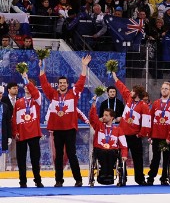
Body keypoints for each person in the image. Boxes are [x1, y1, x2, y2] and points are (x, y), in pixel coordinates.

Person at [39, 55, 92, 187]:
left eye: (64, 83)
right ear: (58, 85)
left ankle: (78, 179)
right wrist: (41, 69)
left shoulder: (73, 94)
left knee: (71, 154)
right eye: (60, 83)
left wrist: (84, 66)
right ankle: (58, 180)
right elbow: (44, 84)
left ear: (67, 85)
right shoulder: (53, 95)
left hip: (69, 130)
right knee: (58, 157)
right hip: (57, 130)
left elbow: (81, 81)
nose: (62, 85)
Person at [112, 72, 152, 186]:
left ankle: (139, 179)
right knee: (122, 157)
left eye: (133, 91)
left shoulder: (143, 106)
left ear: (137, 94)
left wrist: (140, 135)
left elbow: (146, 123)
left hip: (134, 136)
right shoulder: (129, 98)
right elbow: (122, 88)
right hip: (123, 134)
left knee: (137, 159)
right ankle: (122, 178)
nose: (131, 92)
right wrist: (115, 77)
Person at [12, 73, 43, 188]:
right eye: (25, 85)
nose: (26, 87)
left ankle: (38, 181)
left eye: (29, 85)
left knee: (35, 160)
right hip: (21, 135)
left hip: (34, 134)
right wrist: (15, 132)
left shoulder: (37, 100)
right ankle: (23, 181)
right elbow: (14, 119)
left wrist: (26, 79)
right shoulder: (18, 102)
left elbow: (34, 92)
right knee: (21, 160)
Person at [89, 96, 128, 185]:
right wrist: (94, 104)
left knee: (111, 152)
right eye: (103, 115)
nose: (103, 117)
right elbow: (92, 118)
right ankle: (103, 174)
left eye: (106, 115)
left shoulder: (118, 129)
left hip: (112, 151)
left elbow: (124, 145)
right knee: (103, 152)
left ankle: (109, 175)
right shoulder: (99, 126)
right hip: (99, 150)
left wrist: (124, 155)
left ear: (112, 118)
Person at [147, 81, 170, 186]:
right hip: (156, 136)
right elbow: (150, 120)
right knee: (155, 158)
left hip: (167, 137)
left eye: (166, 88)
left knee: (166, 159)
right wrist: (150, 135)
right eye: (162, 88)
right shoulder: (155, 103)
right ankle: (151, 177)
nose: (164, 90)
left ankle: (164, 178)